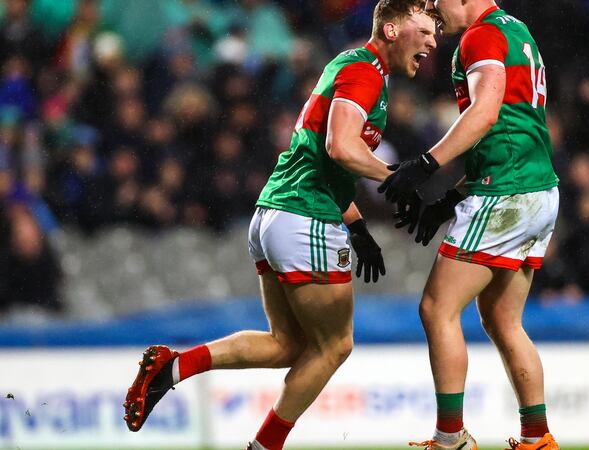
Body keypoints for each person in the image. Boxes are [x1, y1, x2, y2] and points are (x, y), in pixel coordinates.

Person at [123, 3, 437, 450]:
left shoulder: (358, 72)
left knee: (287, 344)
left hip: (276, 214)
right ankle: (265, 446)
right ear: (391, 28)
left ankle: (172, 368)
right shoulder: (365, 70)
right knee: (336, 346)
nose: (431, 41)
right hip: (305, 218)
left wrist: (359, 226)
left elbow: (326, 160)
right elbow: (341, 147)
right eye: (423, 30)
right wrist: (398, 179)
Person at [380, 1, 560, 449]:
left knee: (436, 309)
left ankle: (450, 439)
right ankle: (537, 438)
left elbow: (486, 113)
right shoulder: (517, 30)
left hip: (506, 194)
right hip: (538, 189)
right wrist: (452, 198)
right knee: (503, 320)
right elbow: (512, 130)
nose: (434, 12)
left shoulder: (479, 36)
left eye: (437, 3)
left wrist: (426, 163)